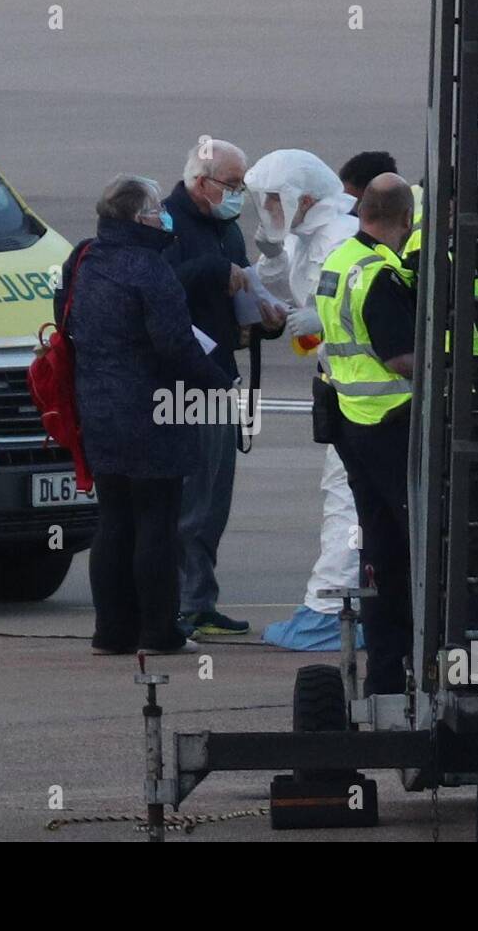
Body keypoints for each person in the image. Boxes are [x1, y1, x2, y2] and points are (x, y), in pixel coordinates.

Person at [61, 175, 232, 655]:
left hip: (97, 407)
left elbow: (65, 321)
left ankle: (111, 631)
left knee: (113, 520)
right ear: (139, 218)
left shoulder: (83, 259)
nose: (164, 215)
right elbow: (174, 346)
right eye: (157, 209)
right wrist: (220, 384)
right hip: (153, 409)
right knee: (157, 520)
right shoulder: (149, 269)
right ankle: (158, 630)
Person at [239, 150, 369, 652]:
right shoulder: (307, 236)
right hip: (341, 386)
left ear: (305, 198)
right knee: (343, 497)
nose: (268, 207)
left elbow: (365, 303)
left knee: (347, 501)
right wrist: (271, 251)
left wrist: (324, 321)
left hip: (361, 393)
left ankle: (333, 610)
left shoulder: (341, 237)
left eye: (275, 199)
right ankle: (338, 606)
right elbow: (276, 279)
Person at [163, 139, 286, 638]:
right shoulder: (166, 223)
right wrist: (219, 272)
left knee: (214, 500)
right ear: (200, 182)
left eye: (241, 186)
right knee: (190, 500)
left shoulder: (225, 227)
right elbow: (163, 284)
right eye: (231, 185)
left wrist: (266, 318)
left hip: (220, 377)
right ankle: (180, 602)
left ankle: (200, 599)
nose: (237, 195)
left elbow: (238, 293)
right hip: (182, 381)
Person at [314, 173, 419, 694]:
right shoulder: (379, 274)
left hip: (351, 424)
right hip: (390, 426)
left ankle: (383, 676)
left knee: (380, 554)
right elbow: (400, 358)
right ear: (406, 220)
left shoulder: (338, 261)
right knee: (418, 551)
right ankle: (412, 665)